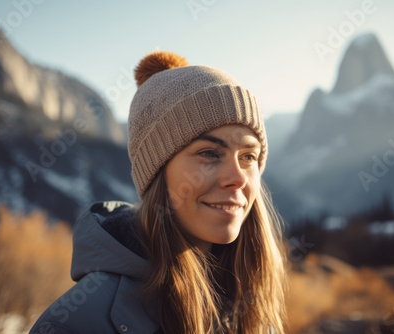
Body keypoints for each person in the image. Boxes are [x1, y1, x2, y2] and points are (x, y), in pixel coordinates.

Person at [30, 51, 287, 334]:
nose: (238, 178)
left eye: (249, 157)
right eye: (210, 153)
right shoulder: (74, 324)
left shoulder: (253, 312)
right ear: (156, 172)